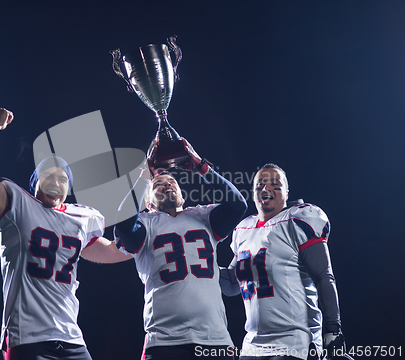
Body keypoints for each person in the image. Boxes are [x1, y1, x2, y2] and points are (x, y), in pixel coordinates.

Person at [0, 108, 131, 360]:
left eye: (63, 178)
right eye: (49, 176)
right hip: (27, 336)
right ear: (35, 182)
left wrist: (146, 237)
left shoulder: (81, 218)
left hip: (70, 337)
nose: (56, 181)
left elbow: (112, 250)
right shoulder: (17, 205)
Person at [114, 139, 248, 360]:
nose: (167, 185)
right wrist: (146, 176)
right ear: (147, 203)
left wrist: (200, 166)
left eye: (172, 182)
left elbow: (238, 205)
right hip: (165, 341)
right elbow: (124, 225)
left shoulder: (203, 216)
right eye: (158, 184)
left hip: (215, 339)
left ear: (182, 194)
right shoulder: (146, 224)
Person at [220, 164, 352, 360]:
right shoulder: (243, 229)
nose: (266, 189)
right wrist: (200, 263)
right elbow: (232, 284)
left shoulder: (297, 220)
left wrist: (333, 331)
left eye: (275, 184)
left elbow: (324, 277)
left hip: (295, 340)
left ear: (286, 192)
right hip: (253, 344)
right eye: (260, 184)